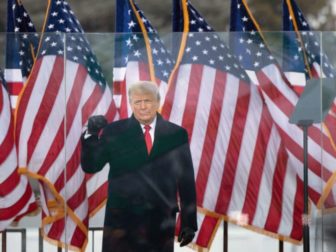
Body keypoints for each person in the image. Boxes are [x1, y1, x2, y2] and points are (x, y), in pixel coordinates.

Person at [81, 81, 197, 252]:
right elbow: (91, 166)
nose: (143, 106)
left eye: (147, 101)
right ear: (131, 103)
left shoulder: (176, 134)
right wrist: (91, 135)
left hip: (160, 221)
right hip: (121, 223)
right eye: (137, 102)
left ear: (157, 102)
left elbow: (186, 180)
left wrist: (189, 222)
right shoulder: (114, 131)